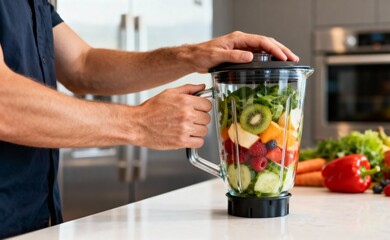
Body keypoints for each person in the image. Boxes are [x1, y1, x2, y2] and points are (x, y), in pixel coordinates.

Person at [0, 0, 299, 238]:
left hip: (38, 222)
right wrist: (139, 123)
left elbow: (82, 65)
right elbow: (4, 104)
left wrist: (191, 55)